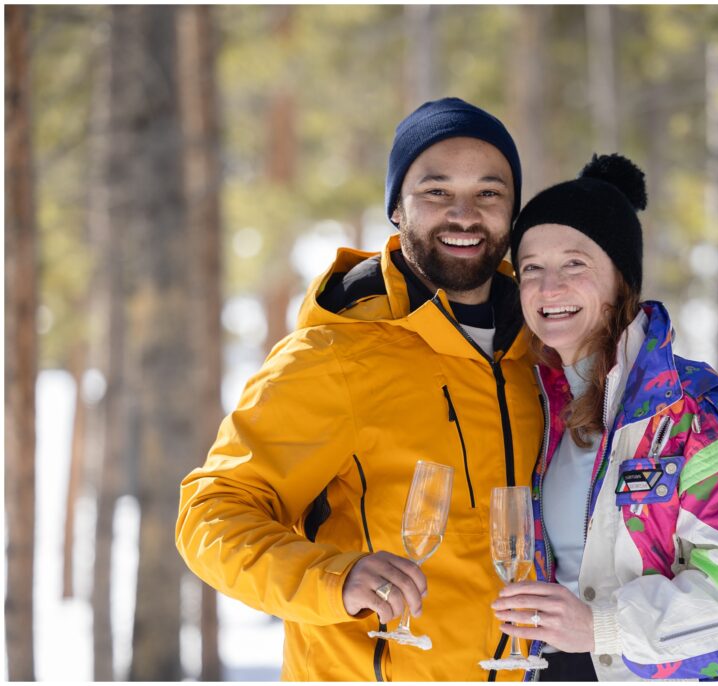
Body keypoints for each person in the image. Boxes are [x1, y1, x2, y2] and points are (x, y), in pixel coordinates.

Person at [176, 97, 544, 682]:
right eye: (437, 191)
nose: (465, 215)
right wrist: (334, 580)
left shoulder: (546, 348)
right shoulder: (338, 354)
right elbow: (212, 515)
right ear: (397, 207)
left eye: (489, 193)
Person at [490, 153, 718, 681]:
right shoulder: (536, 407)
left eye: (575, 265)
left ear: (621, 280)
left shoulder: (697, 415)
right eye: (532, 268)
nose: (548, 288)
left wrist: (599, 628)